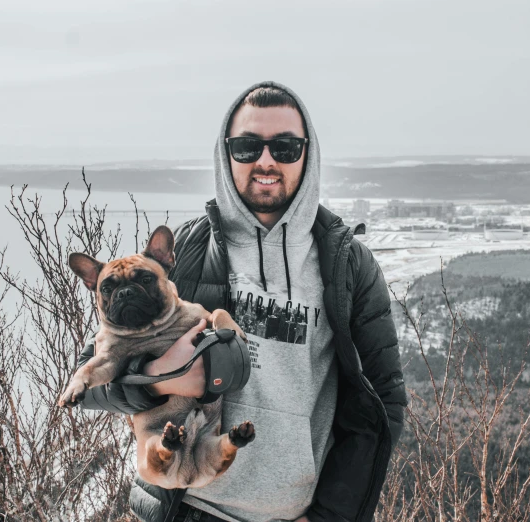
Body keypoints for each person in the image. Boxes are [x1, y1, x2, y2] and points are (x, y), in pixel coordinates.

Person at [75, 81, 407, 522]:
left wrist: (330, 515)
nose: (266, 160)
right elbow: (89, 385)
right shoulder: (187, 252)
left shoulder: (348, 265)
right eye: (247, 146)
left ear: (308, 154)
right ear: (225, 153)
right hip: (185, 508)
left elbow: (382, 403)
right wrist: (158, 380)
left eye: (285, 147)